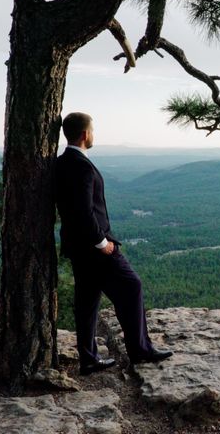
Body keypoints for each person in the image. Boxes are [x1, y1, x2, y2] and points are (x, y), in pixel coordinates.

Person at [55, 112, 172, 375]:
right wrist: (101, 242)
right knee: (132, 286)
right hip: (95, 248)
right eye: (92, 130)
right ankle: (140, 351)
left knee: (87, 302)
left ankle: (88, 359)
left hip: (76, 248)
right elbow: (83, 211)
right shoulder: (82, 166)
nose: (93, 134)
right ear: (85, 134)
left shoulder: (61, 163)